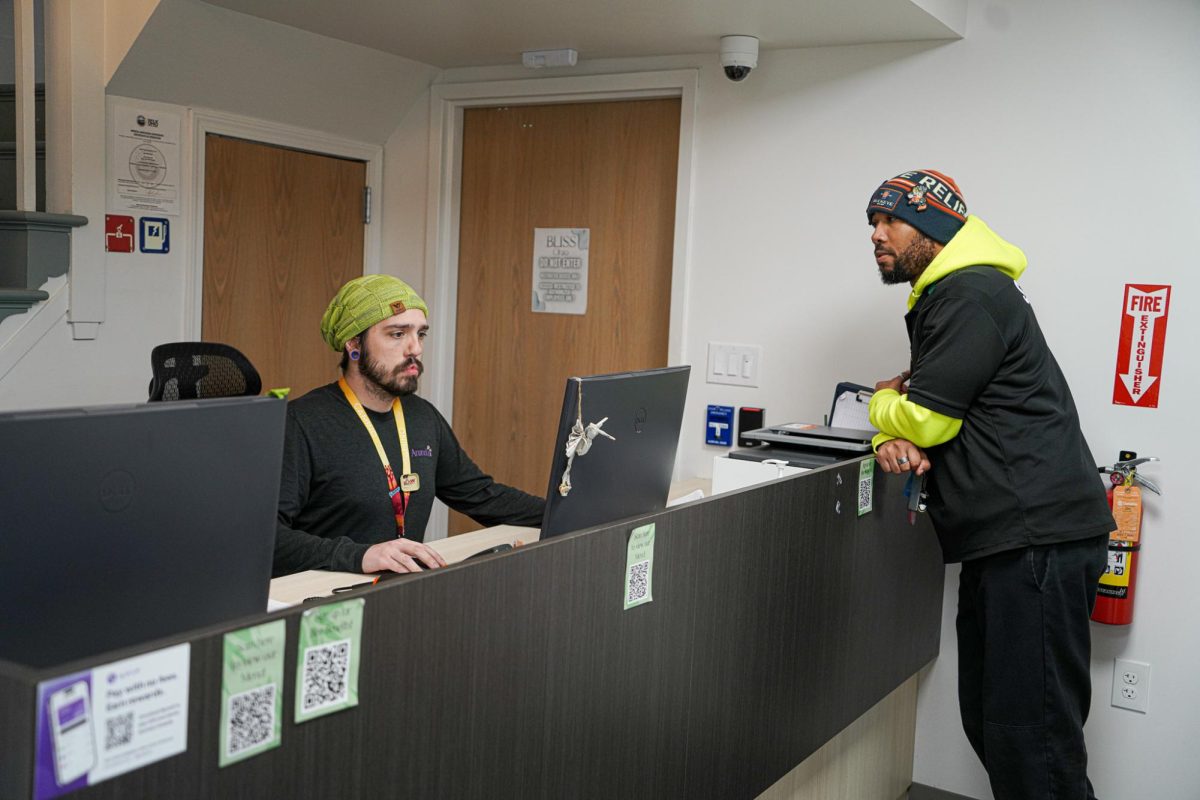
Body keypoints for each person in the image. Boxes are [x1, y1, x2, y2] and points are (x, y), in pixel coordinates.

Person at [864, 170, 1114, 800]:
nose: (876, 234)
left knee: (1036, 744)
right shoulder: (949, 297)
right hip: (1007, 541)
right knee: (995, 725)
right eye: (873, 223)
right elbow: (926, 420)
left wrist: (879, 407)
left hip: (1036, 540)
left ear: (934, 225)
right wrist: (891, 431)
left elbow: (925, 416)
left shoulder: (969, 295)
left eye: (889, 219)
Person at [274, 275, 545, 577]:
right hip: (322, 599)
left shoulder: (422, 416)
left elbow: (483, 496)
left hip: (396, 591)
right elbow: (269, 538)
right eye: (397, 334)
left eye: (421, 334)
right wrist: (360, 555)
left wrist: (568, 513)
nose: (415, 349)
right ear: (354, 344)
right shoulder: (302, 422)